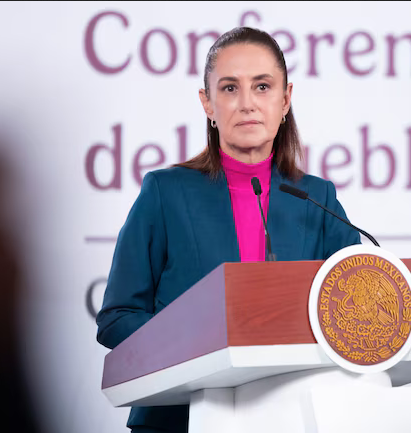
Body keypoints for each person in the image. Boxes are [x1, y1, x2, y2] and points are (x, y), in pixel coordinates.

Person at [96, 26, 361, 433]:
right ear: (208, 103)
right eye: (230, 88)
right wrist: (201, 341)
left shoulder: (317, 198)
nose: (247, 103)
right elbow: (117, 318)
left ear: (285, 99)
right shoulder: (165, 193)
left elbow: (357, 309)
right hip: (179, 419)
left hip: (292, 417)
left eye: (262, 87)